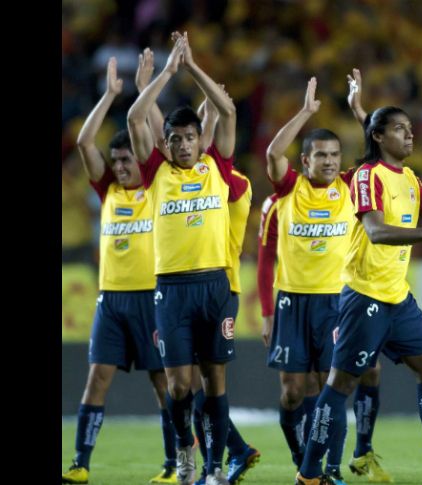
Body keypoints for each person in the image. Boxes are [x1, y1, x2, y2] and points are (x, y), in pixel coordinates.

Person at [296, 95, 422, 485]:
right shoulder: (368, 175)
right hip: (364, 295)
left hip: (397, 297)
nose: (409, 134)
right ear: (379, 136)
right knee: (342, 383)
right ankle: (309, 474)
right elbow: (376, 231)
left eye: (409, 128)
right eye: (399, 129)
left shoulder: (412, 180)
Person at [127, 32, 247, 485]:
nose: (182, 146)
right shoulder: (155, 171)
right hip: (172, 290)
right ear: (167, 144)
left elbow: (229, 110)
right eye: (174, 139)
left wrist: (193, 66)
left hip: (214, 284)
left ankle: (215, 467)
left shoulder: (217, 164)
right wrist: (167, 74)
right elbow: (138, 116)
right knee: (179, 386)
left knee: (215, 380)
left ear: (200, 140)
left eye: (189, 138)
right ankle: (184, 450)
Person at [262, 77, 389, 485]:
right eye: (321, 155)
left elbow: (379, 152)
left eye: (335, 154)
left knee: (329, 388)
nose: (330, 162)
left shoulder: (352, 187)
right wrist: (306, 112)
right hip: (292, 302)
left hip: (338, 303)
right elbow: (272, 152)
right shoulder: (288, 189)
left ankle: (326, 469)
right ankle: (304, 458)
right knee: (292, 392)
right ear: (305, 161)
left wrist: (358, 111)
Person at [62, 53, 177, 485]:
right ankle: (80, 462)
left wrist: (145, 95)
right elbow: (83, 144)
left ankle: (171, 465)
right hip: (110, 300)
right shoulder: (108, 189)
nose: (124, 167)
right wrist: (110, 96)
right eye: (119, 161)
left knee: (163, 386)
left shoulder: (156, 187)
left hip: (152, 298)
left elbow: (162, 143)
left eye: (129, 160)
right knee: (97, 381)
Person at [188, 94, 261, 485]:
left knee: (207, 387)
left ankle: (218, 462)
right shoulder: (215, 175)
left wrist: (213, 113)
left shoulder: (230, 182)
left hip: (221, 286)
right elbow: (202, 143)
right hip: (203, 284)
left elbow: (205, 148)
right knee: (197, 387)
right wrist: (208, 110)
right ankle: (234, 452)